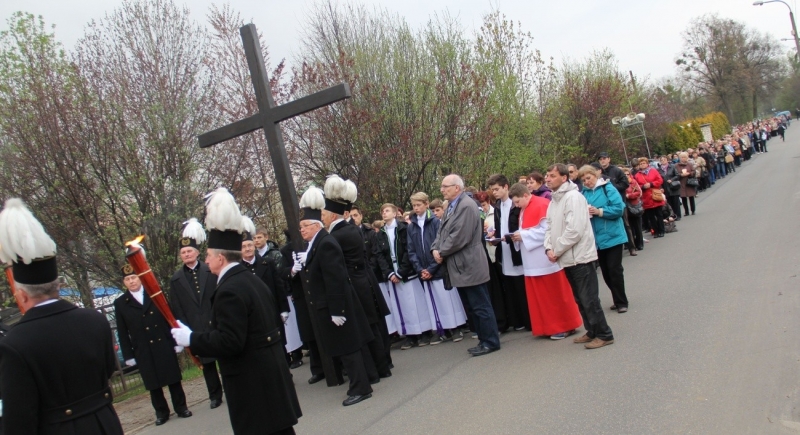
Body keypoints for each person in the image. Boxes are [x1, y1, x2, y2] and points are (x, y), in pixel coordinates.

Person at [171, 188, 301, 433]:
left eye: (208, 256)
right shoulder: (248, 279)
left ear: (220, 258)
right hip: (268, 380)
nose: (206, 261)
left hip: (253, 385)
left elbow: (231, 341)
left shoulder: (229, 289)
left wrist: (192, 339)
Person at [0, 198, 124, 435]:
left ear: (22, 296)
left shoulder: (14, 345)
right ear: (58, 286)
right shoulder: (94, 320)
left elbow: (19, 419)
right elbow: (108, 369)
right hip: (105, 424)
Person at [290, 186, 375, 406]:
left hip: (336, 306)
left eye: (304, 226)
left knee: (349, 347)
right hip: (329, 305)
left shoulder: (325, 243)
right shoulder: (317, 243)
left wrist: (337, 309)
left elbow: (335, 278)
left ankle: (361, 387)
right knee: (345, 347)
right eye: (300, 227)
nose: (301, 230)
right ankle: (359, 384)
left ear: (316, 225)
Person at [323, 175, 392, 379]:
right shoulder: (351, 229)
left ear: (334, 215)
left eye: (324, 213)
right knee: (373, 326)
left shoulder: (336, 236)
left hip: (356, 283)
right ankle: (382, 365)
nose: (322, 217)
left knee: (367, 328)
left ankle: (377, 368)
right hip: (364, 280)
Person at [543, 164, 615, 349]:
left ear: (564, 178)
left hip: (580, 257)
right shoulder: (554, 201)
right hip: (566, 257)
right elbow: (549, 227)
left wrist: (556, 250)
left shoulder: (573, 198)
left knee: (589, 298)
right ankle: (591, 330)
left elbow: (574, 231)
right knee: (579, 298)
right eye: (547, 175)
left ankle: (604, 334)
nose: (547, 179)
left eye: (552, 175)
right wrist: (548, 248)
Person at [432, 174, 501, 357]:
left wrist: (442, 252)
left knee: (480, 305)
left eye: (445, 186)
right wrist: (435, 248)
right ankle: (483, 340)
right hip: (459, 265)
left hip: (470, 263)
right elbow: (441, 231)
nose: (442, 189)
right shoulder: (451, 207)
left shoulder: (466, 206)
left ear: (457, 187)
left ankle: (491, 341)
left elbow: (459, 236)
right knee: (472, 306)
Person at [116, 265, 192, 426]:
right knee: (153, 384)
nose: (131, 281)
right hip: (143, 347)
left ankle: (181, 407)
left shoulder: (154, 293)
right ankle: (161, 412)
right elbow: (122, 332)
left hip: (162, 342)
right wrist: (128, 355)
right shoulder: (121, 303)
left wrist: (175, 341)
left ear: (140, 278)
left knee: (173, 378)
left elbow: (169, 317)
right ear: (124, 282)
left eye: (134, 277)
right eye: (127, 279)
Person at [507, 184, 582, 339]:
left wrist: (524, 236)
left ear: (526, 195)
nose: (516, 205)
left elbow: (548, 231)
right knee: (542, 300)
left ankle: (565, 325)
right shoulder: (524, 208)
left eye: (517, 201)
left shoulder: (541, 205)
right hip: (532, 262)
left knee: (555, 297)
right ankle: (547, 327)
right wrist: (518, 235)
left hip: (545, 261)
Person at [169, 218, 223, 409]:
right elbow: (177, 307)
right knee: (207, 364)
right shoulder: (176, 279)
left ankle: (232, 387)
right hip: (195, 326)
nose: (186, 254)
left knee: (224, 357)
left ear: (197, 252)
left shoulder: (211, 269)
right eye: (183, 252)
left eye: (189, 251)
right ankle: (214, 395)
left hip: (215, 319)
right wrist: (184, 328)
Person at [407, 192, 467, 343]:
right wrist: (420, 269)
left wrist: (432, 268)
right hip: (423, 269)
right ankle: (441, 329)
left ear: (426, 204)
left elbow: (440, 245)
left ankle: (455, 327)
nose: (416, 208)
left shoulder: (435, 222)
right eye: (414, 206)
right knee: (431, 300)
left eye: (419, 205)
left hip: (437, 267)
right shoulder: (411, 226)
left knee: (445, 298)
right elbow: (411, 250)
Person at [240, 219, 297, 368]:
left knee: (280, 344)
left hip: (272, 311)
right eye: (244, 246)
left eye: (249, 245)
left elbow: (278, 287)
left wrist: (284, 309)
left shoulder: (267, 263)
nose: (247, 249)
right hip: (254, 316)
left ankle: (286, 373)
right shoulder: (239, 270)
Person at [375, 203, 433, 349]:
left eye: (387, 210)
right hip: (392, 275)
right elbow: (379, 255)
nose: (384, 213)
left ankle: (425, 332)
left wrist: (401, 272)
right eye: (382, 211)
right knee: (401, 307)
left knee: (416, 304)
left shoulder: (404, 229)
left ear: (395, 213)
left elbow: (409, 250)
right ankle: (410, 335)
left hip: (407, 274)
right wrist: (389, 273)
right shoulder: (380, 233)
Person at [578, 166, 630, 313]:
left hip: (613, 235)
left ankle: (621, 301)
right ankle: (616, 297)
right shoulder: (583, 194)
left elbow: (619, 208)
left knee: (615, 270)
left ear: (595, 175)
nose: (587, 182)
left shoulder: (608, 188)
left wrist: (599, 211)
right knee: (606, 272)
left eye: (588, 178)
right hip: (596, 239)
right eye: (583, 180)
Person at [487, 173, 529, 332]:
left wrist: (510, 237)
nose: (495, 192)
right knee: (510, 287)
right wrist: (494, 235)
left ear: (506, 187)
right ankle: (516, 319)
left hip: (516, 248)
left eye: (497, 189)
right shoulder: (498, 206)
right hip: (504, 249)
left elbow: (519, 225)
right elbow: (501, 226)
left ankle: (527, 319)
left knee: (521, 286)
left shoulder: (515, 203)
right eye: (492, 189)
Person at [634, 157, 666, 238]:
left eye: (643, 163)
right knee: (651, 216)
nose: (642, 165)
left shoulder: (653, 171)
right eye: (640, 164)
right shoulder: (637, 175)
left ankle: (661, 230)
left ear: (647, 163)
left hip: (655, 194)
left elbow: (660, 180)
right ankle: (655, 231)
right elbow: (636, 186)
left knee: (659, 214)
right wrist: (643, 186)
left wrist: (651, 184)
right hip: (646, 197)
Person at [621, 167, 644, 254]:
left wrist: (629, 196)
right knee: (628, 227)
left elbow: (639, 192)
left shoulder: (633, 182)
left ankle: (640, 243)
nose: (626, 176)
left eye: (628, 174)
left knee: (637, 226)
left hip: (634, 205)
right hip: (625, 207)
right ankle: (631, 244)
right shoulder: (621, 184)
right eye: (625, 174)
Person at [674, 152, 698, 216]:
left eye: (684, 157)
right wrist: (681, 175)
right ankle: (686, 211)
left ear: (687, 158)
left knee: (691, 197)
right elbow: (675, 174)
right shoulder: (676, 165)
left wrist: (689, 173)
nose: (683, 158)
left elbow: (693, 171)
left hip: (689, 182)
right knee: (683, 198)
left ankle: (693, 210)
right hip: (681, 182)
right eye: (682, 157)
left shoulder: (689, 164)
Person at [658, 155, 682, 221]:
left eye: (664, 159)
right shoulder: (659, 170)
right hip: (665, 188)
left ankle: (678, 215)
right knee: (669, 203)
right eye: (661, 160)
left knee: (676, 202)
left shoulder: (672, 166)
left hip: (673, 187)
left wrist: (672, 179)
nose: (663, 161)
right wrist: (660, 187)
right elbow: (658, 179)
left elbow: (677, 175)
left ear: (667, 160)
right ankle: (672, 215)